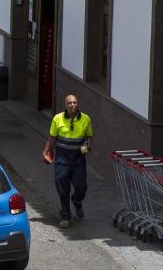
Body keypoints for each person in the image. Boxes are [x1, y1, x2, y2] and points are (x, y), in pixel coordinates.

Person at [42, 94, 93, 227]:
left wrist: (87, 146)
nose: (72, 105)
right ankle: (65, 216)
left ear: (77, 104)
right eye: (69, 103)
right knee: (62, 188)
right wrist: (46, 151)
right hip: (62, 158)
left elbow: (89, 137)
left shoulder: (85, 119)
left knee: (81, 187)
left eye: (74, 102)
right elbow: (52, 137)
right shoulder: (57, 119)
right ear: (66, 105)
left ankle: (76, 201)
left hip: (78, 159)